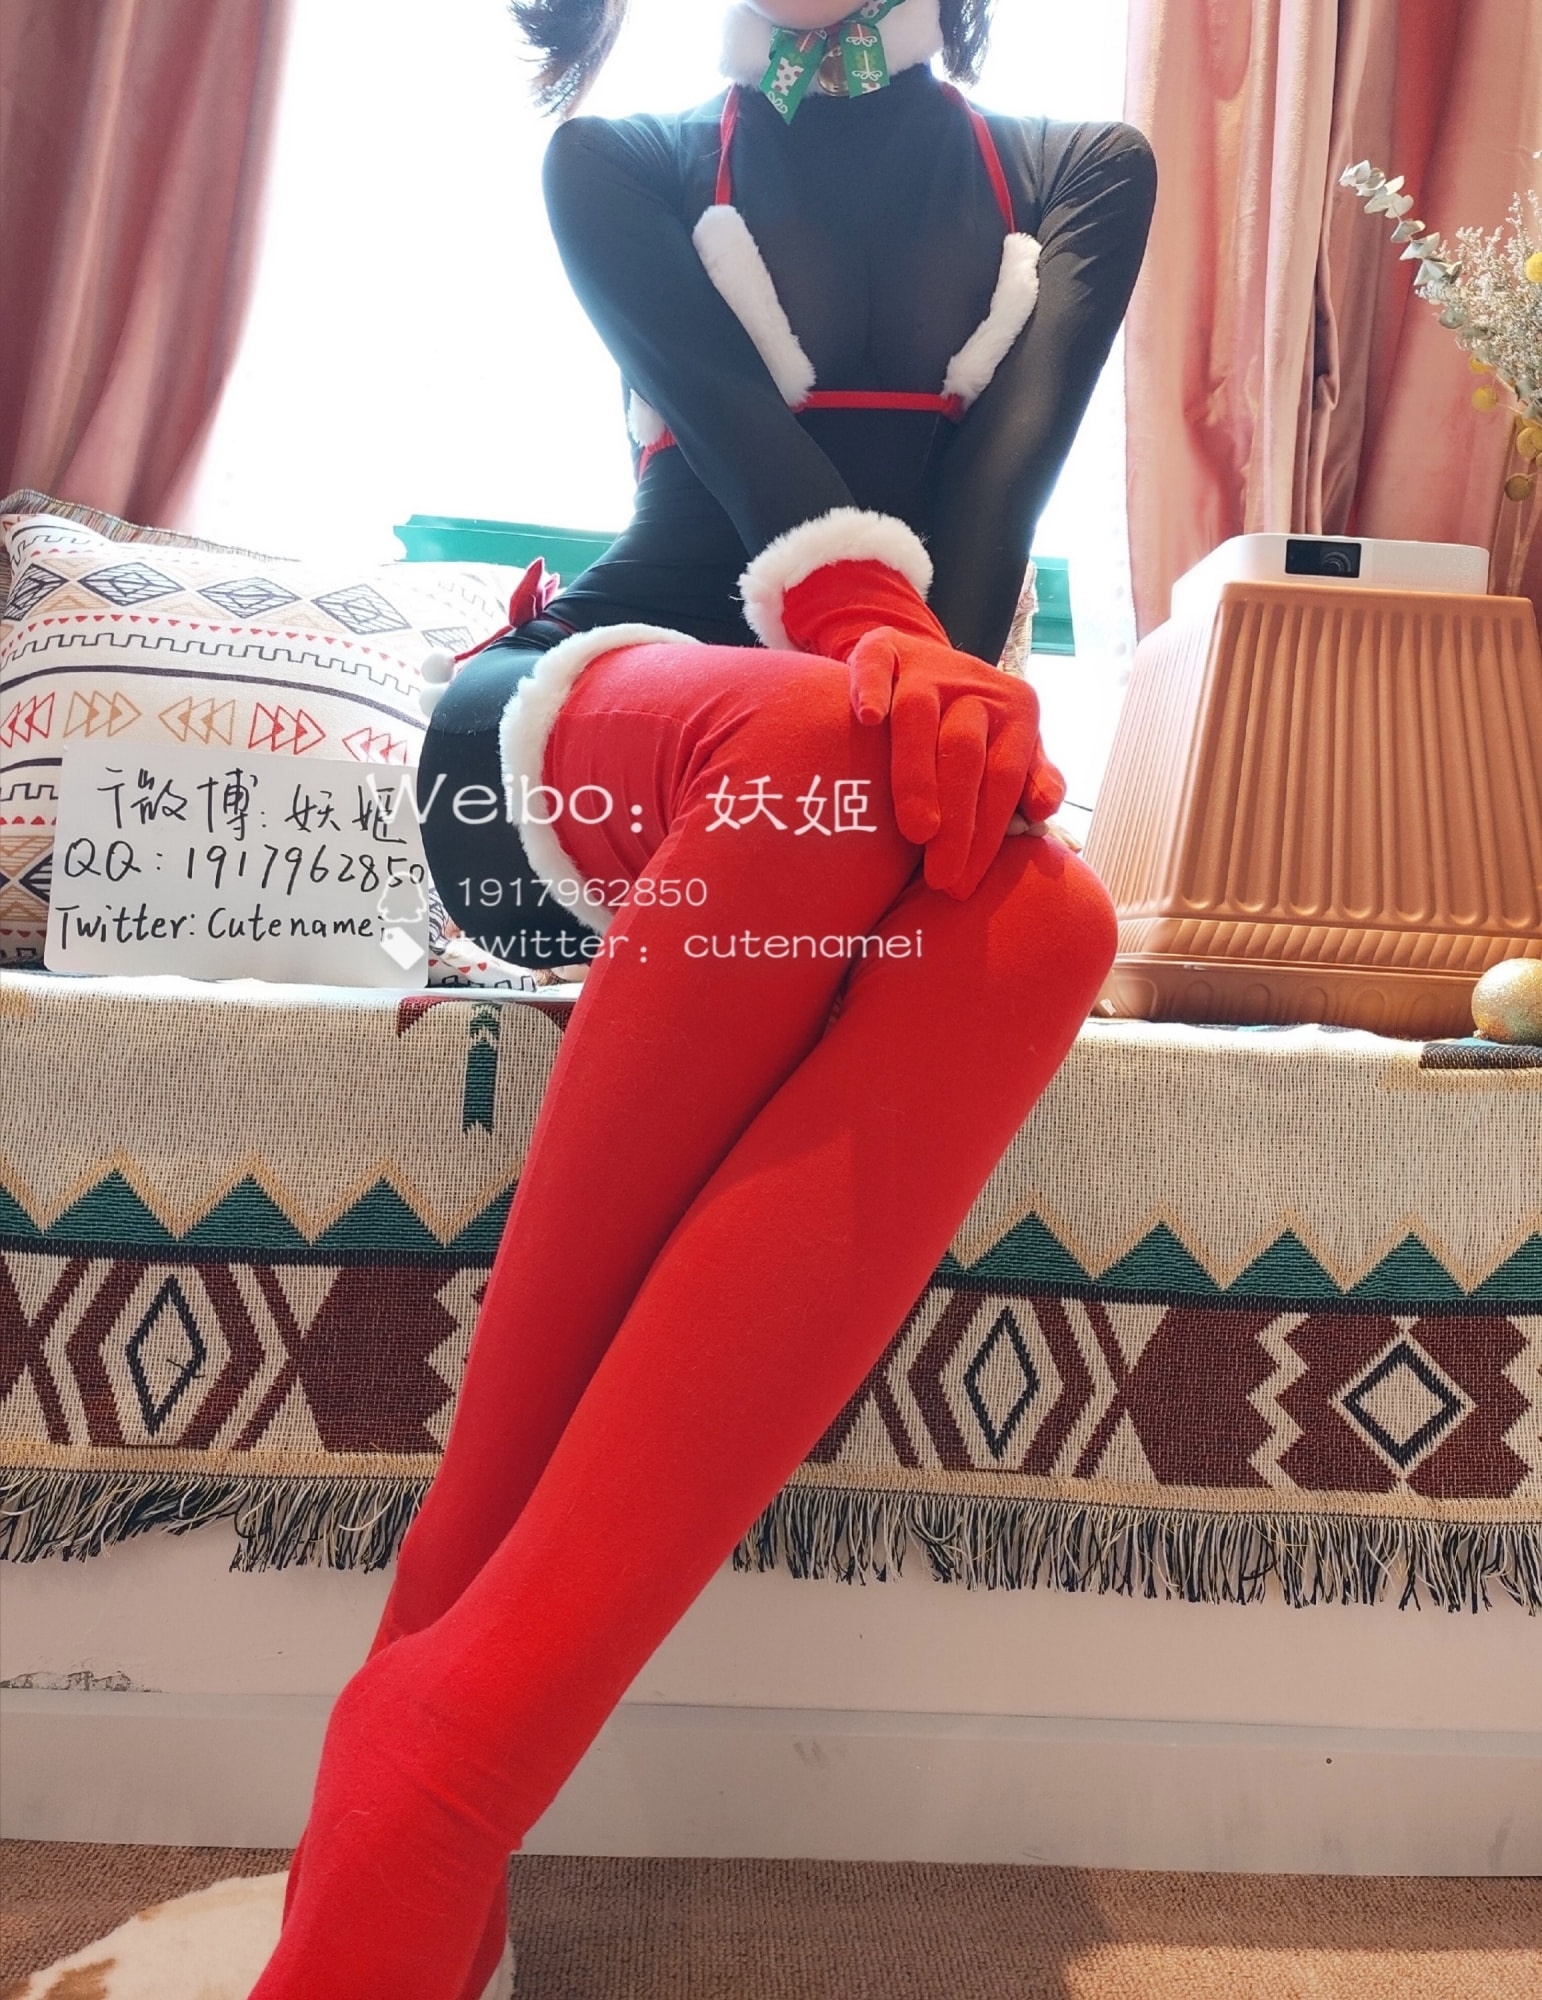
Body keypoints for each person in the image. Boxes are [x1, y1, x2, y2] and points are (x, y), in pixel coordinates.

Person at [253, 4, 1155, 1994]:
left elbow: (986, 540)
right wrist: (893, 665)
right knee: (827, 749)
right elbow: (762, 499)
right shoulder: (622, 165)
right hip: (570, 735)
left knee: (1045, 929)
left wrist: (944, 698)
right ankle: (437, 1730)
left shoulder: (1081, 172)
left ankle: (432, 1739)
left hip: (852, 747)